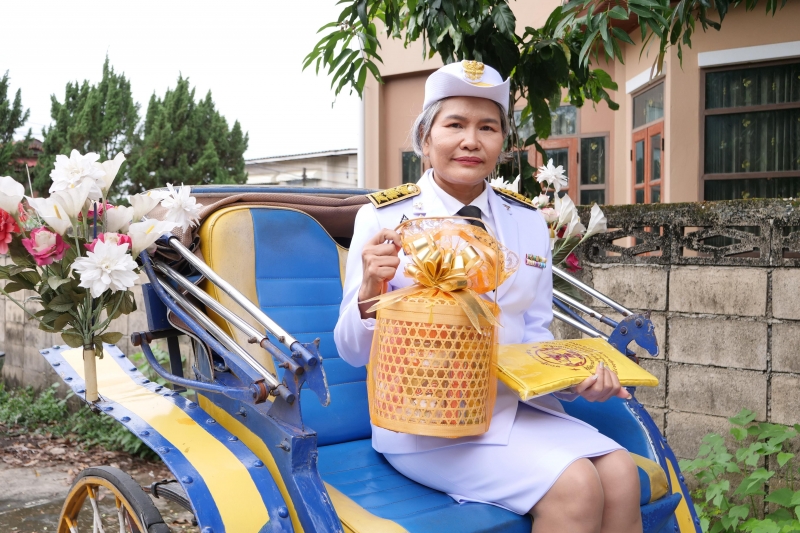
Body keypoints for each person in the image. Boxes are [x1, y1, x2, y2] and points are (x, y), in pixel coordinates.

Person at [333, 60, 642, 533]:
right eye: (454, 124)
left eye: (487, 127)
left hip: (517, 408)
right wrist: (372, 290)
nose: (471, 140)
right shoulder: (384, 219)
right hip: (430, 424)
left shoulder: (527, 222)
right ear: (425, 139)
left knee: (621, 473)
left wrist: (572, 379)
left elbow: (533, 333)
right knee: (577, 484)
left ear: (502, 143)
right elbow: (352, 351)